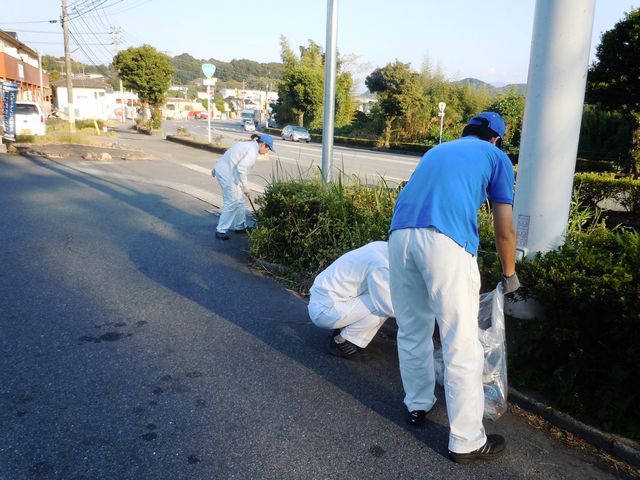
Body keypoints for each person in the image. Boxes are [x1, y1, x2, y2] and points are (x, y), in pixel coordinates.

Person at [387, 112, 520, 464]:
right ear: (496, 139)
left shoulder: (436, 150)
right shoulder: (497, 157)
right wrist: (510, 275)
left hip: (400, 235)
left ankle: (417, 405)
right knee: (461, 342)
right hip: (444, 243)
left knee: (412, 330)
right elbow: (504, 229)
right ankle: (466, 440)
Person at [308, 241, 394, 361]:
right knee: (383, 304)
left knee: (378, 294)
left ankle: (342, 330)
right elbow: (389, 306)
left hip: (325, 300)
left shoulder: (381, 246)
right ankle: (341, 342)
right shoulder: (380, 264)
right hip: (326, 311)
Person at [212, 134, 275, 240]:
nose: (267, 151)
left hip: (225, 171)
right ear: (263, 145)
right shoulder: (252, 151)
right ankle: (221, 230)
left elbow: (229, 153)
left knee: (240, 201)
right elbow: (241, 170)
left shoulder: (247, 145)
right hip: (227, 174)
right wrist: (245, 186)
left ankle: (240, 226)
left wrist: (216, 167)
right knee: (232, 202)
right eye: (268, 148)